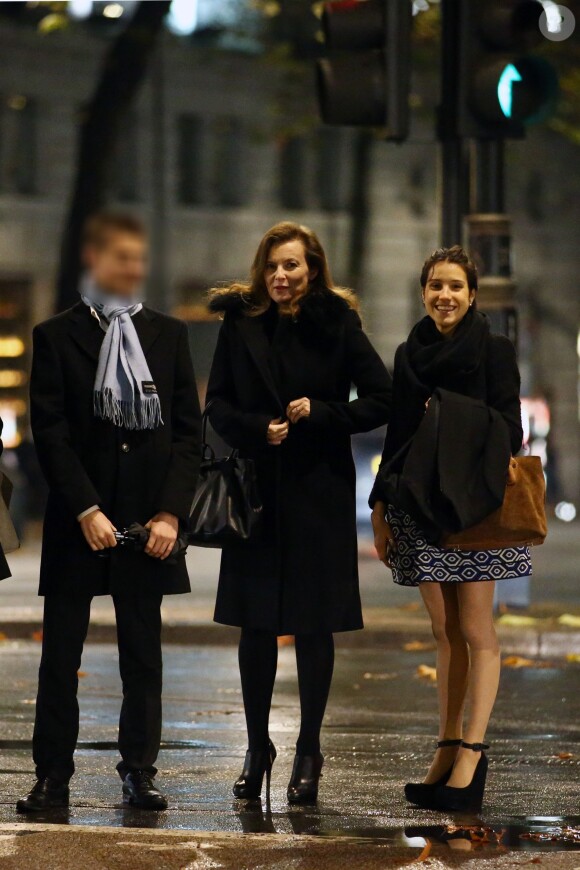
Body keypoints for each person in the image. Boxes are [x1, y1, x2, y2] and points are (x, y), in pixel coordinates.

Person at [17, 211, 201, 813]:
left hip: (148, 522)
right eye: (122, 256)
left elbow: (187, 436)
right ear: (95, 259)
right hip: (83, 522)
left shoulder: (168, 334)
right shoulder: (55, 334)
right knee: (59, 658)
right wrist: (84, 508)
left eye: (138, 258)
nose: (133, 268)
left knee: (143, 655)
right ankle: (51, 777)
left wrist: (171, 515)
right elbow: (50, 432)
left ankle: (139, 771)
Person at [206, 221, 392, 803]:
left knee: (314, 626)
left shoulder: (337, 322)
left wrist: (326, 413)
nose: (281, 276)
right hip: (256, 491)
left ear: (312, 268)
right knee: (255, 625)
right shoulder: (240, 323)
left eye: (292, 266)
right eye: (272, 266)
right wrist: (259, 428)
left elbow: (383, 399)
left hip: (318, 492)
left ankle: (309, 747)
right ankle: (258, 745)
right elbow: (217, 405)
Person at [370, 246, 531, 812]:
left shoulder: (493, 349)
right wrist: (379, 509)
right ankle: (445, 746)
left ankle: (472, 752)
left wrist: (450, 422)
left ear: (472, 294)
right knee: (444, 633)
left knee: (476, 628)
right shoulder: (409, 353)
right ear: (423, 292)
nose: (445, 295)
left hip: (474, 505)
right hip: (417, 503)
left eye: (456, 286)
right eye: (436, 285)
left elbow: (511, 425)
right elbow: (396, 436)